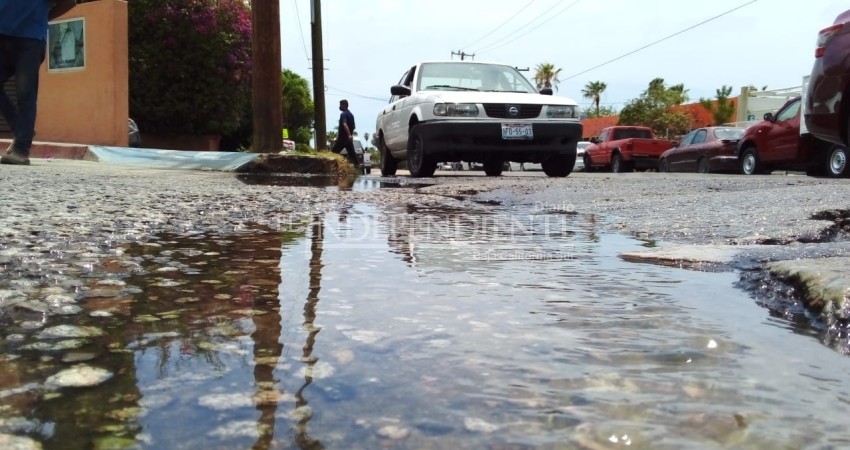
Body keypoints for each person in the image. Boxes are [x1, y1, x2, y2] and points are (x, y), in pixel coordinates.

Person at [0, 0, 76, 165]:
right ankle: (21, 129)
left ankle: (21, 150)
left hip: (30, 40)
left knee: (25, 93)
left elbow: (69, 2)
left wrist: (45, 17)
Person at [331, 99, 359, 166]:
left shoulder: (343, 114)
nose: (339, 106)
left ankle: (331, 167)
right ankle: (358, 168)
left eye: (340, 105)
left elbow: (344, 124)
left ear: (344, 105)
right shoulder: (351, 115)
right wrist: (350, 135)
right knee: (353, 155)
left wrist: (348, 134)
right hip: (348, 140)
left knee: (333, 153)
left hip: (342, 138)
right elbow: (354, 126)